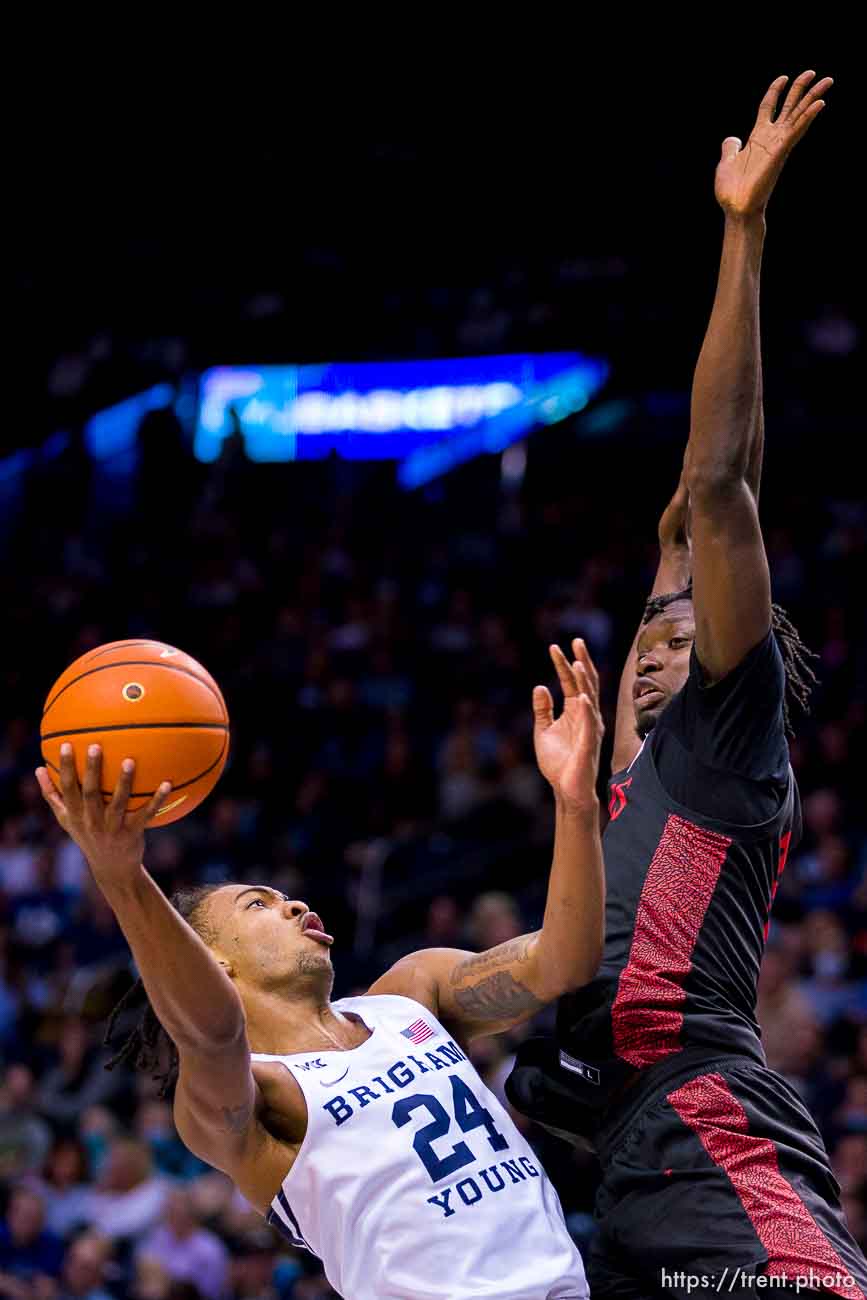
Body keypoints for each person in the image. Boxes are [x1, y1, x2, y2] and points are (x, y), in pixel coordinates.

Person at [506, 70, 867, 1297]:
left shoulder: (722, 739)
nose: (660, 641)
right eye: (648, 626)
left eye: (687, 625)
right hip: (586, 1166)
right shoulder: (605, 785)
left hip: (702, 1127)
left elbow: (719, 488)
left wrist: (743, 234)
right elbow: (686, 513)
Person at [36, 639, 606, 1300]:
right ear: (212, 960)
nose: (295, 904)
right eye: (259, 904)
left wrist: (574, 802)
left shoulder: (410, 994)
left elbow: (563, 961)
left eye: (285, 897)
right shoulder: (247, 1098)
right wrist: (123, 878)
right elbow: (212, 1031)